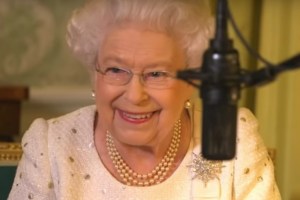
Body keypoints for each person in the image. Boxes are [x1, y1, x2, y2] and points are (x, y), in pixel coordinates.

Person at [9, 0, 281, 199]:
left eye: (157, 73)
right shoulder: (51, 145)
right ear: (95, 75)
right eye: (116, 70)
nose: (135, 95)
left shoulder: (234, 138)